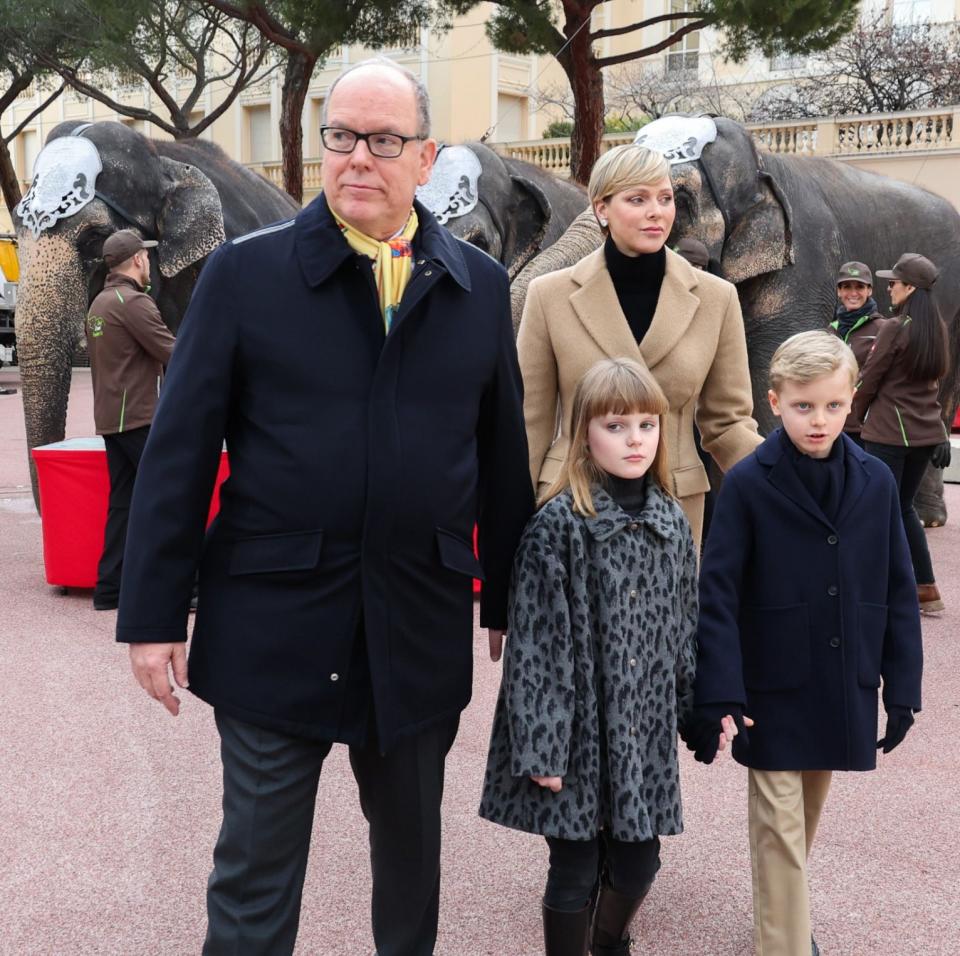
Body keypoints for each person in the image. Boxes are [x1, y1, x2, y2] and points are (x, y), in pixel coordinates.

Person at [115, 58, 534, 956]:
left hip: (418, 620)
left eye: (383, 141)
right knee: (254, 875)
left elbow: (502, 454)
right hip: (273, 622)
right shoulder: (243, 276)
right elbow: (180, 454)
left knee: (411, 874)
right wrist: (152, 615)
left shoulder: (480, 289)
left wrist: (506, 594)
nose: (356, 158)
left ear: (426, 160)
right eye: (341, 136)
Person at [480, 358, 739, 956]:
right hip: (575, 734)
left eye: (647, 425)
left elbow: (682, 629)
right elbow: (537, 650)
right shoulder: (559, 526)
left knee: (639, 863)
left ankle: (607, 942)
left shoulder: (671, 522)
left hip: (641, 734)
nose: (635, 440)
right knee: (573, 868)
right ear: (584, 433)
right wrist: (543, 746)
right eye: (617, 425)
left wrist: (694, 710)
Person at [688, 330, 923, 956]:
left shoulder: (876, 482)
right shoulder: (746, 483)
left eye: (832, 406)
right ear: (774, 402)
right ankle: (785, 943)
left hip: (843, 678)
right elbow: (719, 593)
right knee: (779, 825)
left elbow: (898, 588)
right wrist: (721, 689)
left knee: (801, 820)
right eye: (802, 406)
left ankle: (780, 914)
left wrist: (903, 689)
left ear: (852, 403)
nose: (818, 421)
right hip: (770, 683)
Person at [517, 143, 761, 546]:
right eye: (638, 199)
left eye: (665, 198)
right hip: (572, 507)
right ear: (601, 209)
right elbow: (531, 422)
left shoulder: (717, 299)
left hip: (673, 512)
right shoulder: (549, 296)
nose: (657, 211)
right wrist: (515, 520)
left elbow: (728, 423)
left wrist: (788, 475)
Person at [852, 252, 951, 613]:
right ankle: (926, 587)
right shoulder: (935, 328)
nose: (889, 287)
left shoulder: (894, 327)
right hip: (925, 437)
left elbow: (869, 380)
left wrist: (850, 416)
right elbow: (933, 386)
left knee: (877, 510)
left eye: (893, 282)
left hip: (889, 435)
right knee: (903, 508)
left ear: (909, 287)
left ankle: (877, 590)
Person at [85, 228, 174, 611]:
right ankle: (184, 587)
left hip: (112, 420)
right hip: (138, 418)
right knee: (171, 498)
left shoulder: (101, 303)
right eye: (147, 257)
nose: (149, 262)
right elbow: (175, 353)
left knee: (123, 505)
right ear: (138, 259)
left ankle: (110, 589)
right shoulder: (133, 303)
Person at [828, 260, 888, 445]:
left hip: (866, 430)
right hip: (832, 425)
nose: (853, 293)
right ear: (839, 291)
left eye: (859, 287)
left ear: (869, 290)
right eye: (846, 287)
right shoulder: (830, 331)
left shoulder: (883, 329)